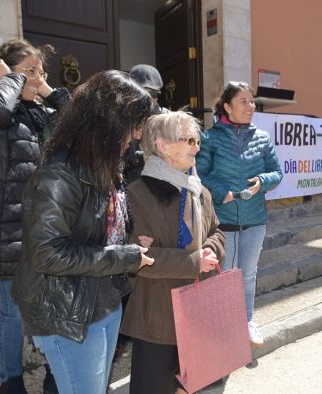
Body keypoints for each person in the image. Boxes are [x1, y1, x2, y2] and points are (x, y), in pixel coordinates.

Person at [11, 70, 155, 393]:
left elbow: (99, 230)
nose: (135, 136)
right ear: (105, 123)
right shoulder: (60, 173)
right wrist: (124, 256)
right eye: (131, 125)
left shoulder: (104, 163)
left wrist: (129, 239)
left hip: (104, 300)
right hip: (66, 312)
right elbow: (48, 254)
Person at [0, 38, 70, 393]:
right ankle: (12, 381)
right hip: (3, 227)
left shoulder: (37, 112)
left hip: (44, 227)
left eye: (41, 71)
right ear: (0, 71)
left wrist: (47, 89)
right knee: (14, 309)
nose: (37, 78)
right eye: (30, 71)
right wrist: (9, 81)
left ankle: (54, 373)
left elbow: (80, 125)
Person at [119, 111, 226, 393]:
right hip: (157, 316)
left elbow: (217, 232)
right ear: (162, 146)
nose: (197, 147)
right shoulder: (136, 194)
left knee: (195, 386)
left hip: (198, 311)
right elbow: (136, 256)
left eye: (197, 140)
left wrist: (211, 251)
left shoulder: (199, 191)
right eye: (189, 140)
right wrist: (194, 261)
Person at [196, 81, 283, 346]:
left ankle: (246, 322)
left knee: (247, 274)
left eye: (252, 101)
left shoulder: (262, 138)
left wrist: (262, 181)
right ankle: (224, 328)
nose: (251, 106)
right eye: (244, 101)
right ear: (227, 106)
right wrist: (221, 189)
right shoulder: (210, 138)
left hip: (255, 220)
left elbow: (277, 173)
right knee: (224, 276)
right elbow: (198, 174)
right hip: (223, 222)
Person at [122, 64, 169, 184]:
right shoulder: (122, 116)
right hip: (130, 185)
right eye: (143, 92)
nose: (149, 98)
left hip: (160, 184)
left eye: (153, 95)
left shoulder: (165, 118)